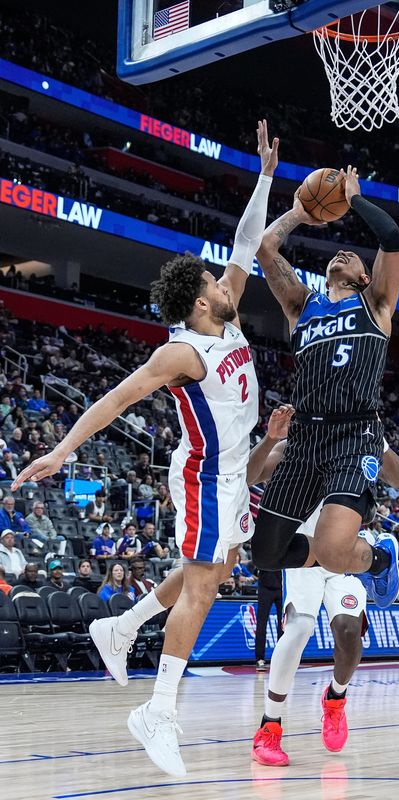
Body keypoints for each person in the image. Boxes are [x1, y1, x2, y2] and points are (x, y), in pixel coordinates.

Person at [11, 120, 279, 779]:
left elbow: (247, 243)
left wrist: (267, 179)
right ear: (201, 301)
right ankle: (158, 710)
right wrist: (63, 450)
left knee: (217, 568)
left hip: (234, 477)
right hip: (204, 476)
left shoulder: (227, 316)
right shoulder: (181, 350)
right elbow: (115, 400)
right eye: (217, 281)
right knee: (204, 586)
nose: (228, 280)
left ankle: (123, 626)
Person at [252, 165, 399, 608]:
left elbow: (391, 237)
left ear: (364, 276)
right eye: (339, 253)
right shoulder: (302, 304)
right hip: (305, 437)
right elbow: (264, 247)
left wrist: (353, 199)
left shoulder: (376, 303)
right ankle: (347, 553)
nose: (343, 252)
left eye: (353, 257)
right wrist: (299, 214)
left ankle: (379, 559)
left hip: (354, 434)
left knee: (335, 551)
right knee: (266, 554)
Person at [252, 423, 399, 766]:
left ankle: (335, 699)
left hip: (344, 555)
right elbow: (253, 474)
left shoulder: (361, 439)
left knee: (349, 633)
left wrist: (380, 441)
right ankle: (269, 726)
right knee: (298, 631)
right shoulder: (297, 443)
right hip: (305, 553)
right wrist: (270, 440)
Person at [254, 568, 282, 672]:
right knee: (261, 623)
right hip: (265, 586)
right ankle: (260, 658)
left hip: (281, 586)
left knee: (283, 624)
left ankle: (282, 658)